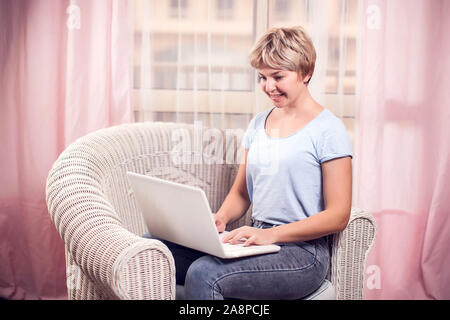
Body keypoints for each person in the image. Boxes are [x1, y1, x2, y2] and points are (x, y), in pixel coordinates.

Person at [146, 26, 353, 300]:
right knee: (151, 249)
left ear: (306, 73)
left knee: (204, 274)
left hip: (303, 252)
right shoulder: (259, 123)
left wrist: (273, 235)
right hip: (255, 239)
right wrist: (220, 218)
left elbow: (338, 215)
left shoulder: (329, 130)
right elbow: (241, 193)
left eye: (278, 76)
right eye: (262, 77)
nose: (269, 87)